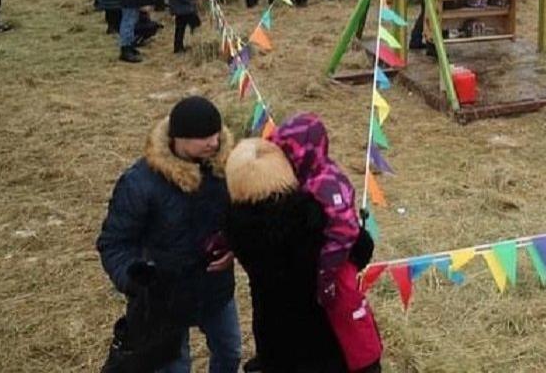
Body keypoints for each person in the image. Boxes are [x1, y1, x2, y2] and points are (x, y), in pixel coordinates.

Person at [97, 97, 240, 372]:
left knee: (231, 352)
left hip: (216, 289)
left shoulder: (225, 169)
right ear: (178, 139)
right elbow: (114, 243)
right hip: (165, 298)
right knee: (176, 367)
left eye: (216, 133)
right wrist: (136, 279)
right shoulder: (140, 183)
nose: (214, 142)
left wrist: (235, 246)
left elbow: (240, 218)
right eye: (203, 137)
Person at [224, 138, 362, 373]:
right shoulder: (310, 216)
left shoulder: (234, 222)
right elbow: (360, 250)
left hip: (271, 325)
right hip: (318, 325)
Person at [274, 114, 383, 372]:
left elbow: (344, 233)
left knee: (350, 320)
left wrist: (326, 278)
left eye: (287, 154)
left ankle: (364, 365)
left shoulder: (327, 183)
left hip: (337, 269)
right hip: (310, 271)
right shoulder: (299, 177)